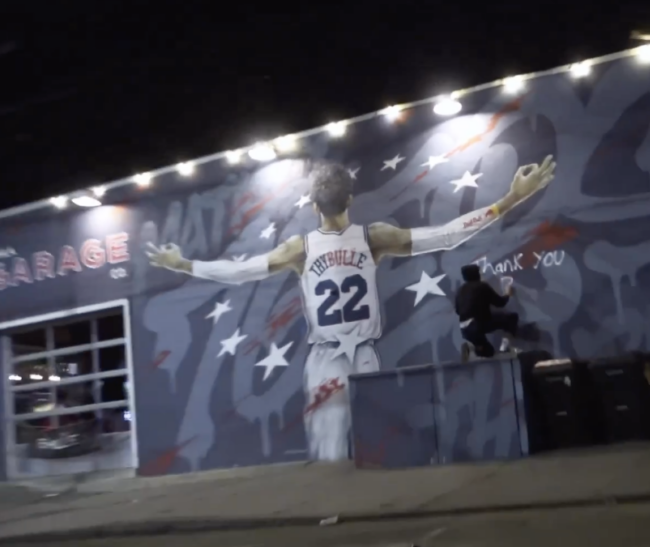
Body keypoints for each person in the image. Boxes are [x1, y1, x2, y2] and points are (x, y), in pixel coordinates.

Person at [146, 155, 556, 461]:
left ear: (313, 205)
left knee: (332, 456)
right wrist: (509, 199)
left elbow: (241, 271)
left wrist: (185, 265)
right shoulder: (373, 237)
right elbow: (446, 236)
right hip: (364, 355)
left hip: (326, 359)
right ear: (351, 199)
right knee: (374, 450)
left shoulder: (299, 248)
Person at [455, 265, 519, 361]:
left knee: (488, 352)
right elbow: (500, 303)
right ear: (477, 274)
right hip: (477, 324)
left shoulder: (460, 290)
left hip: (465, 329)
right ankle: (504, 348)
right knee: (512, 318)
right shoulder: (482, 286)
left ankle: (471, 347)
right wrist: (507, 294)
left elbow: (458, 311)